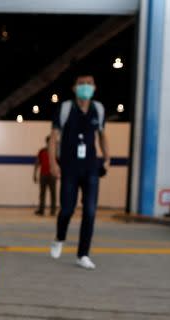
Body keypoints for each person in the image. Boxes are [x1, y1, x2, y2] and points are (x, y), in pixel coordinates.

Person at [49, 74, 111, 270]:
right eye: (81, 83)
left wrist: (107, 157)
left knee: (90, 211)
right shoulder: (66, 108)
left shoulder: (98, 109)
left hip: (91, 167)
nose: (86, 86)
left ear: (95, 87)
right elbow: (53, 137)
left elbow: (102, 135)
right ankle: (59, 238)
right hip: (69, 166)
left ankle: (83, 254)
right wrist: (53, 163)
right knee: (67, 208)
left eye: (89, 83)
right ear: (74, 87)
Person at [33, 136, 57, 216]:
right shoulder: (42, 151)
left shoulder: (55, 152)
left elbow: (59, 163)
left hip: (52, 175)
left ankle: (53, 210)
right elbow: (37, 163)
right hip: (43, 175)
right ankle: (41, 210)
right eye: (49, 142)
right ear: (46, 142)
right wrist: (34, 174)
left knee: (53, 193)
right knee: (42, 193)